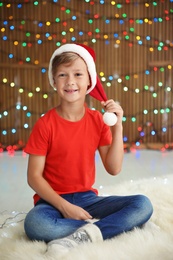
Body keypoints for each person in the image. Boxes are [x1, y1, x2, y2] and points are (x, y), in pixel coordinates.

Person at [24, 43, 153, 256]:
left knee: (142, 204)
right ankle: (116, 227)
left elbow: (114, 168)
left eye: (78, 74)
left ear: (89, 81)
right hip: (51, 202)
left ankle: (89, 232)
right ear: (54, 81)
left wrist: (118, 126)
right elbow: (34, 178)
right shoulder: (45, 124)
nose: (71, 81)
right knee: (36, 225)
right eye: (63, 75)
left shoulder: (98, 121)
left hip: (87, 199)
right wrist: (65, 207)